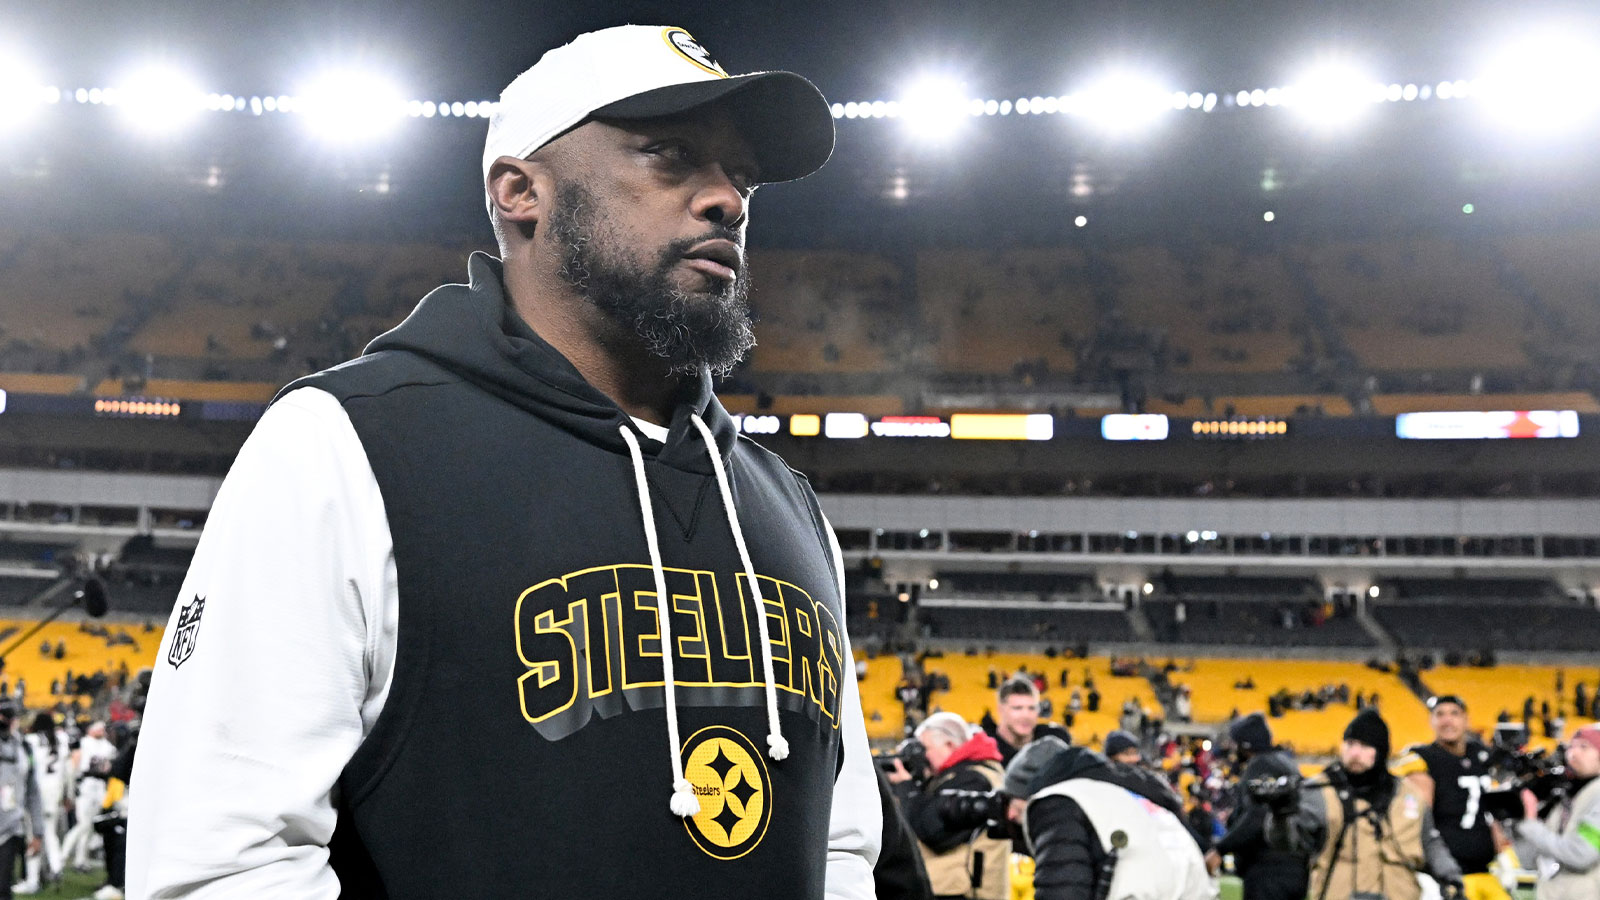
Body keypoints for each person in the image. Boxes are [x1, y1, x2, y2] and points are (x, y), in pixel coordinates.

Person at [128, 24, 878, 899]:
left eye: (740, 177)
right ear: (521, 191)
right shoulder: (344, 442)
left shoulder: (787, 502)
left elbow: (840, 851)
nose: (727, 201)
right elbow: (221, 863)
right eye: (669, 156)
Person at [1264, 708, 1464, 900]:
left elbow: (1430, 843)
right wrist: (1280, 813)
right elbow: (1288, 843)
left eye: (1365, 746)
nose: (1355, 753)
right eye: (1350, 744)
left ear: (1380, 751)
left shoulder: (1408, 796)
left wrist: (1450, 877)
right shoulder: (1320, 791)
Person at [1004, 738, 1215, 900]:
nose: (1011, 815)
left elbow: (1063, 891)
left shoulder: (1060, 801)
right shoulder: (1130, 795)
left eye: (1015, 802)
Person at [1394, 696, 1509, 900]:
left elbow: (1494, 809)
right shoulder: (1422, 757)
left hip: (1484, 870)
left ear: (1466, 719)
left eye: (1454, 713)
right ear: (1431, 721)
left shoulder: (1481, 756)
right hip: (1443, 874)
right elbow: (1418, 819)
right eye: (1440, 714)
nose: (1447, 720)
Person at [887, 712, 1010, 899]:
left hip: (964, 892)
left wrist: (907, 788)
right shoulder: (968, 773)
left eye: (925, 749)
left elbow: (933, 832)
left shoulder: (975, 779)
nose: (922, 758)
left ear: (949, 745)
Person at [1211, 713, 1309, 900]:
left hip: (1268, 870)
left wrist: (1220, 849)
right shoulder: (1286, 763)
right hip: (1297, 868)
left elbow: (1258, 815)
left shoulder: (1260, 764)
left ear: (1246, 745)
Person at [1510, 724, 1600, 900]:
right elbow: (1530, 859)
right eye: (1571, 746)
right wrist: (1517, 822)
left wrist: (1531, 825)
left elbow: (1580, 854)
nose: (1574, 753)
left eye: (1584, 747)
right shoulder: (1567, 798)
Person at [13, 714, 65, 895]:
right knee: (50, 833)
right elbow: (64, 769)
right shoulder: (62, 739)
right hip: (54, 792)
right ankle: (57, 865)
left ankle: (33, 880)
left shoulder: (31, 740)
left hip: (36, 793)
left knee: (33, 836)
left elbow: (27, 768)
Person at [0, 701, 43, 900]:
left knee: (3, 887)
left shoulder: (24, 748)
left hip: (9, 828)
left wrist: (38, 831)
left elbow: (33, 792)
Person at [62, 721, 115, 874]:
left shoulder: (107, 745)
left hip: (100, 786)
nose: (101, 730)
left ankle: (80, 860)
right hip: (85, 785)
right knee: (83, 824)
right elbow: (73, 764)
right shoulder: (83, 743)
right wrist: (71, 789)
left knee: (90, 826)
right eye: (98, 727)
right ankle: (64, 854)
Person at [984, 677, 1072, 766]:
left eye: (1032, 708)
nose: (1026, 715)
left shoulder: (1055, 741)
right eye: (1017, 708)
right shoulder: (984, 749)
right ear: (1000, 710)